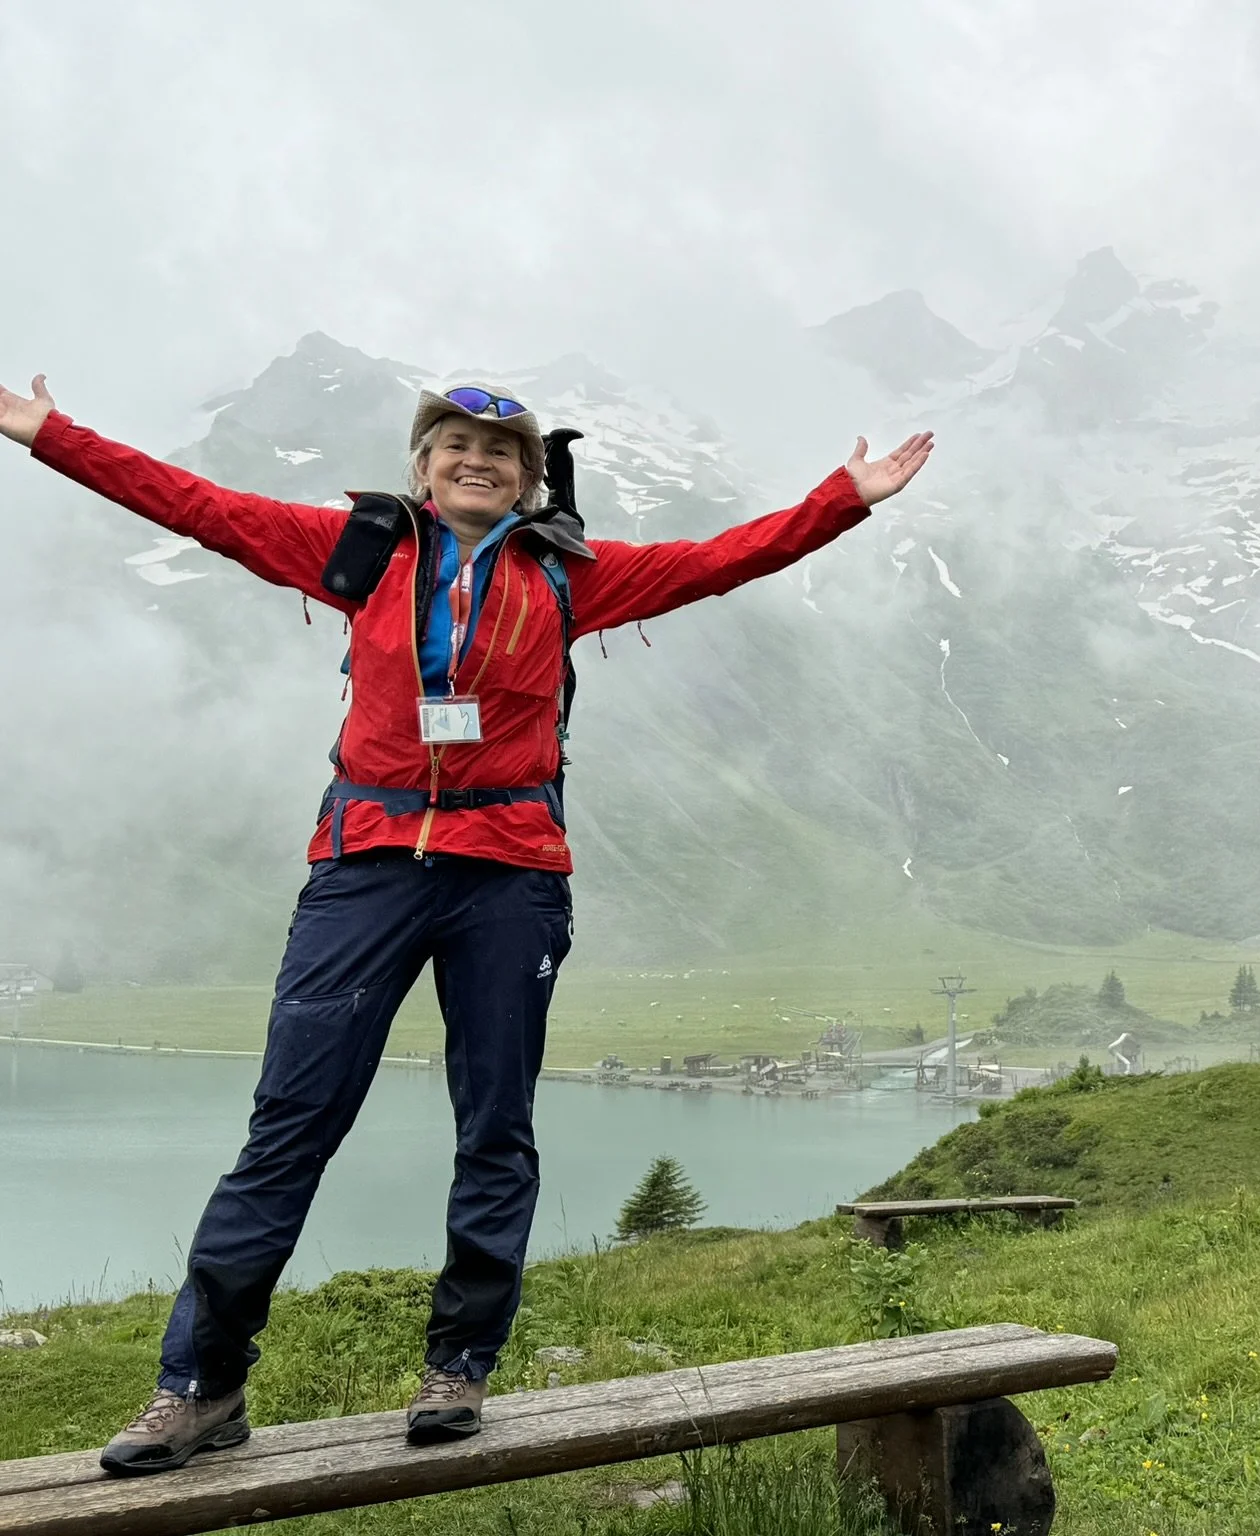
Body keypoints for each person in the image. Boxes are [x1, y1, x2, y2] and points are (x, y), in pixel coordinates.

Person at [0, 373, 932, 1474]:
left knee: (495, 1127)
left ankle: (459, 1365)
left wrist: (843, 499)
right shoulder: (356, 551)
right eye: (454, 443)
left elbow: (722, 558)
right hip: (365, 865)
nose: (475, 459)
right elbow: (193, 504)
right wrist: (49, 434)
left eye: (501, 450)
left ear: (530, 478)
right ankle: (200, 1387)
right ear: (423, 465)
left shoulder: (571, 574)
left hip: (509, 875)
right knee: (288, 1126)